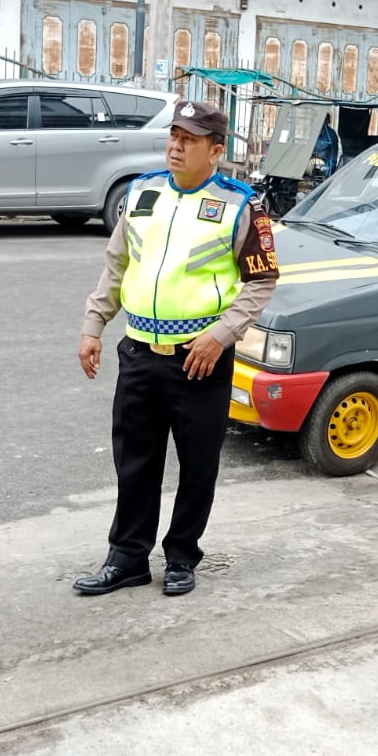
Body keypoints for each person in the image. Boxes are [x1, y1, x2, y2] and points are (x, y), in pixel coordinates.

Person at [75, 100, 280, 597]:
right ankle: (127, 556)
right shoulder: (141, 193)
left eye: (189, 139)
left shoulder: (242, 206)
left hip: (200, 358)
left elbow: (262, 280)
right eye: (173, 136)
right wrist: (93, 324)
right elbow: (117, 265)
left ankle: (183, 555)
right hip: (141, 352)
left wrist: (221, 335)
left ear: (216, 150)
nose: (176, 146)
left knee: (198, 463)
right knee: (135, 460)